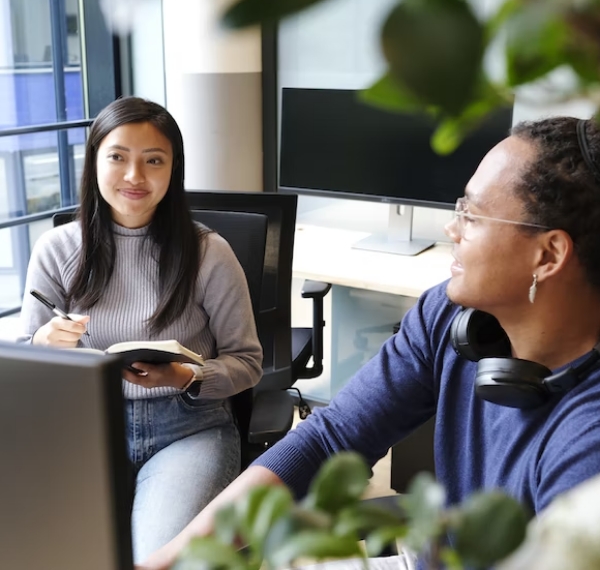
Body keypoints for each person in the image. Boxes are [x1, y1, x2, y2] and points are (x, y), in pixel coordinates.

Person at [138, 114, 600, 570]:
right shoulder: (448, 317)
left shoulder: (588, 447)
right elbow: (329, 440)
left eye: (472, 215)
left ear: (548, 254)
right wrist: (172, 559)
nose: (452, 229)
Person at [19, 96, 263, 562]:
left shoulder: (209, 253)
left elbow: (248, 362)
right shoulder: (56, 249)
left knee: (153, 559)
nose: (134, 176)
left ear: (173, 170)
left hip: (188, 430)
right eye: (118, 157)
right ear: (94, 162)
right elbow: (25, 367)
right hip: (85, 432)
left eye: (154, 161)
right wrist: (42, 343)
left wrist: (187, 376)